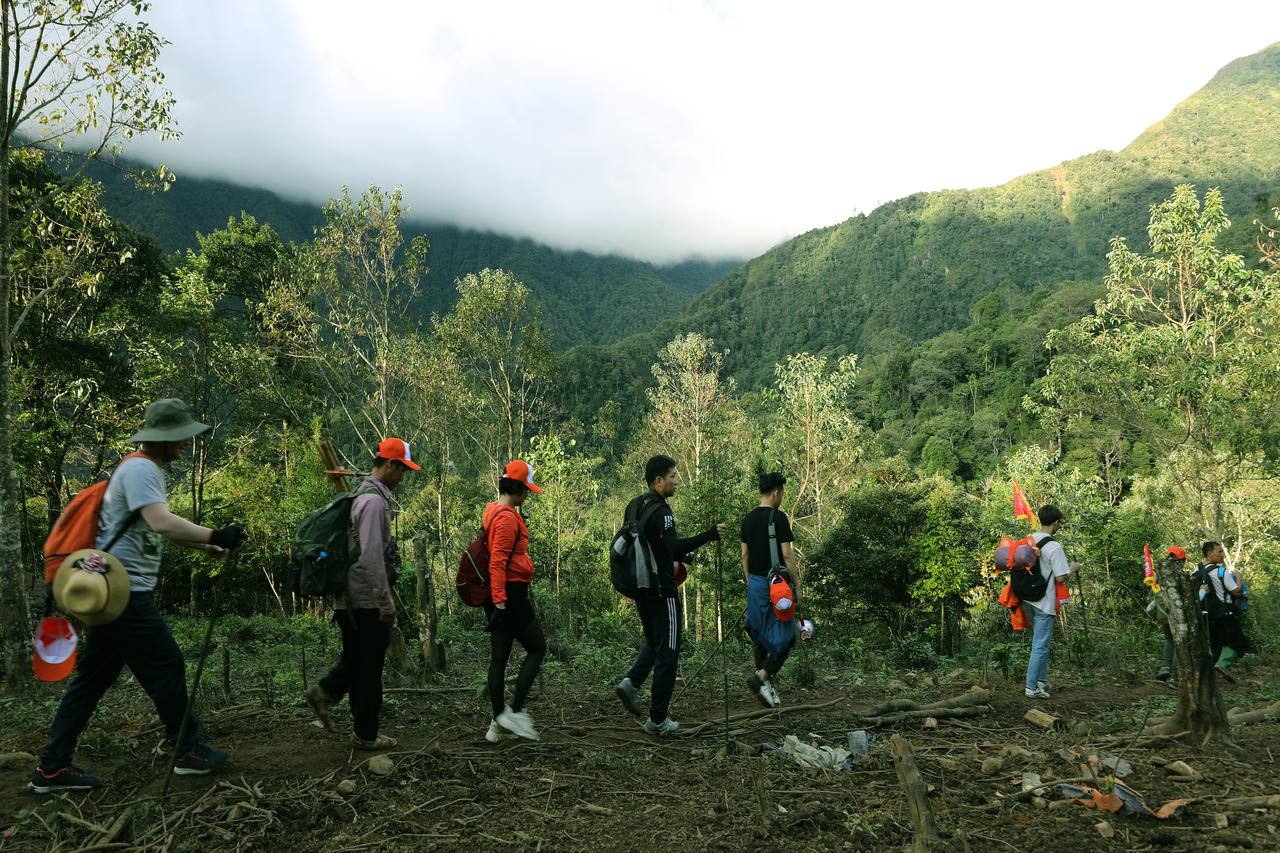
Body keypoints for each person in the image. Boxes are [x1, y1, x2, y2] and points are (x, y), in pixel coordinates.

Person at [31, 399, 246, 793]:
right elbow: (161, 523)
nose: (186, 443)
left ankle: (51, 768)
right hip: (123, 592)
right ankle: (187, 751)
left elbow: (144, 530)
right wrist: (215, 535)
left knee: (92, 680)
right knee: (166, 662)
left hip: (113, 591)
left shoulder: (137, 468)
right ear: (160, 439)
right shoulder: (143, 468)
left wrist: (205, 548)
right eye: (180, 436)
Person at [305, 438, 417, 750]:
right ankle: (364, 732)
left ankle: (341, 709)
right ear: (389, 465)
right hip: (364, 600)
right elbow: (370, 556)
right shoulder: (373, 502)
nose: (402, 477)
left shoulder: (362, 493)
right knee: (368, 671)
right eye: (402, 470)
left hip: (352, 599)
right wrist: (386, 600)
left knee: (358, 662)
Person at [615, 455, 726, 734]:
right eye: (673, 476)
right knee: (669, 652)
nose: (677, 481)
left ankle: (631, 682)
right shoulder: (663, 511)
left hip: (641, 588)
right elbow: (673, 547)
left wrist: (680, 554)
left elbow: (650, 544)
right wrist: (709, 535)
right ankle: (658, 719)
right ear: (658, 481)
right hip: (663, 592)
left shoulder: (634, 505)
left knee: (653, 642)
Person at [482, 460, 546, 742]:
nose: (527, 496)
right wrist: (500, 603)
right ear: (518, 489)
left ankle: (497, 726)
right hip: (510, 594)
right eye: (526, 490)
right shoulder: (507, 517)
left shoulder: (493, 511)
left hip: (501, 594)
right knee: (537, 648)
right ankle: (515, 712)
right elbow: (497, 561)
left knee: (499, 658)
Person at [741, 471, 798, 708]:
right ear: (776, 493)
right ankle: (761, 678)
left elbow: (744, 555)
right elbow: (786, 554)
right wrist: (796, 586)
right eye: (781, 493)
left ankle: (764, 687)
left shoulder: (747, 519)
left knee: (758, 635)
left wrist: (750, 582)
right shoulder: (779, 518)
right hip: (778, 586)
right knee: (787, 638)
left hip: (755, 582)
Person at [1022, 505, 1081, 700]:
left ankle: (1040, 681)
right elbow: (1061, 578)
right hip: (1043, 601)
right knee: (1040, 644)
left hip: (1027, 598)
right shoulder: (1054, 546)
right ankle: (1032, 687)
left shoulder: (1030, 539)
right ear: (1056, 523)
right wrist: (1072, 568)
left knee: (1039, 642)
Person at [1198, 541, 1251, 682]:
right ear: (1210, 554)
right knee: (1238, 641)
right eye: (1219, 551)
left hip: (1206, 615)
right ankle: (1223, 664)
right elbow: (1236, 592)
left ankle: (1208, 677)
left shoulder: (1196, 571)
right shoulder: (1221, 571)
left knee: (1215, 645)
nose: (1222, 555)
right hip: (1224, 613)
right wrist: (1239, 578)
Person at [1147, 546, 1186, 683]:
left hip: (1162, 613)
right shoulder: (1179, 575)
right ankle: (1176, 676)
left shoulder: (1160, 574)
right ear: (1181, 561)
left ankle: (1165, 668)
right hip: (1176, 614)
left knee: (1170, 640)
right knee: (1179, 641)